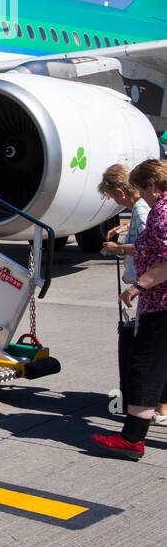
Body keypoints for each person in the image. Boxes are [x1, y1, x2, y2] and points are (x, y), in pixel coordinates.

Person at [94, 159, 167, 458]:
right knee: (156, 368)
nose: (141, 196)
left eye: (141, 188)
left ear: (151, 184)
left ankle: (132, 439)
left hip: (161, 303)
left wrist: (139, 286)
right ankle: (133, 435)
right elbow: (150, 247)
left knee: (144, 367)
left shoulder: (162, 212)